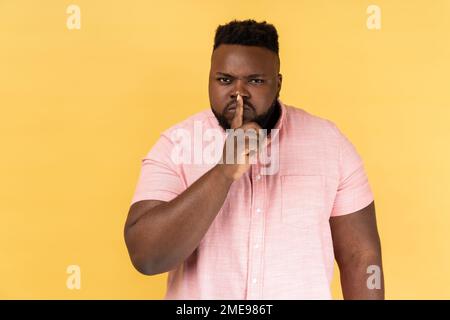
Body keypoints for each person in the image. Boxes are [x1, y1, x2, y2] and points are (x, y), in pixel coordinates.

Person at [124, 19, 384, 299]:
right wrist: (223, 172)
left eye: (255, 81)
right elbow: (147, 257)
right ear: (210, 79)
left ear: (278, 84)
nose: (239, 93)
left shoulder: (330, 144)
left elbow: (361, 258)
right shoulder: (176, 145)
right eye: (225, 79)